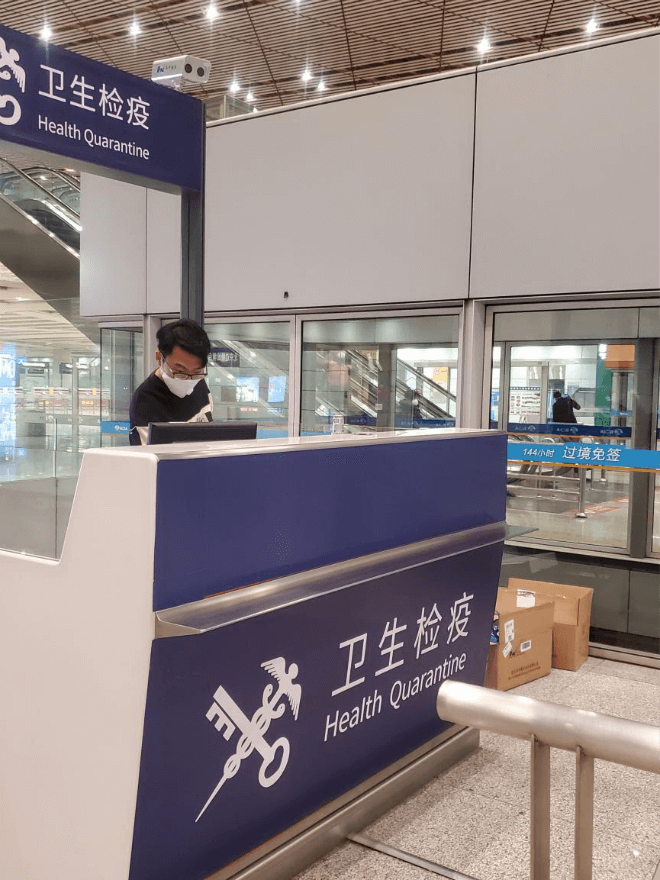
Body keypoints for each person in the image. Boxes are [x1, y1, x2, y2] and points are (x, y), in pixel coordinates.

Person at [129, 319, 213, 445]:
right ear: (159, 358)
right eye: (180, 371)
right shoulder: (145, 402)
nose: (189, 380)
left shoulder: (198, 381)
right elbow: (152, 455)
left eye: (197, 371)